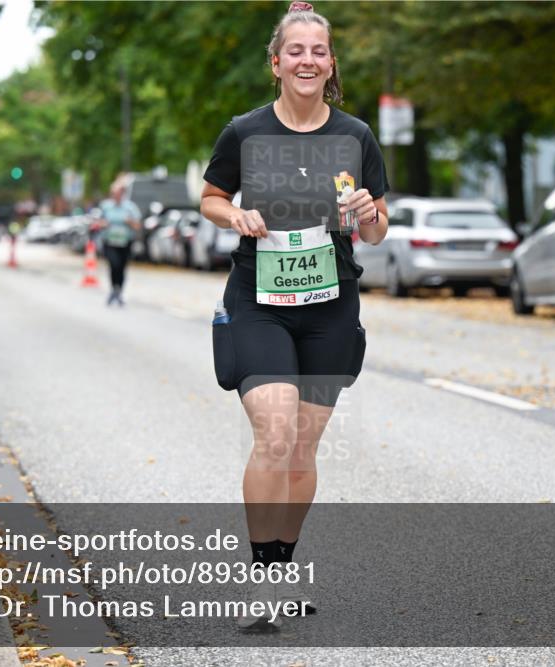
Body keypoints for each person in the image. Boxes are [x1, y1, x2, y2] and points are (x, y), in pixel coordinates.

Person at [199, 1, 389, 631]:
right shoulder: (245, 131)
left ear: (330, 63)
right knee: (275, 433)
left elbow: (380, 229)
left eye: (319, 51)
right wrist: (236, 216)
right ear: (276, 63)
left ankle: (281, 570)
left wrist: (367, 214)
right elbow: (210, 198)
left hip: (330, 307)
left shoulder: (356, 136)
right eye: (296, 51)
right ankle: (260, 581)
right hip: (258, 301)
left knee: (303, 449)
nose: (307, 60)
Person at [96, 176, 141, 306]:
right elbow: (97, 222)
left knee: (121, 267)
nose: (116, 195)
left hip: (125, 242)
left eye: (119, 193)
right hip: (109, 241)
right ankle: (114, 289)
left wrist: (130, 222)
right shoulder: (105, 207)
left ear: (123, 193)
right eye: (114, 193)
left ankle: (118, 291)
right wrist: (102, 224)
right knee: (113, 264)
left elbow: (138, 226)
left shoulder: (130, 207)